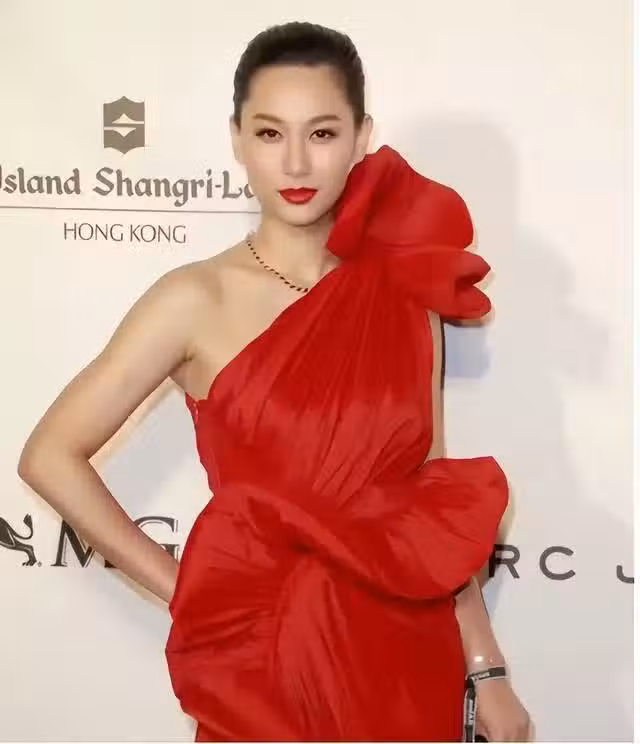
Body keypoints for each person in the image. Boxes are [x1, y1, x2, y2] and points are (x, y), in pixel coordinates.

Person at [17, 20, 532, 743]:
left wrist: (486, 666)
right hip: (271, 663)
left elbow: (431, 499)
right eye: (269, 133)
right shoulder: (194, 299)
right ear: (236, 139)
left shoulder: (404, 291)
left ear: (361, 137)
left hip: (405, 656)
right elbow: (49, 456)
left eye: (322, 133)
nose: (295, 161)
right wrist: (192, 593)